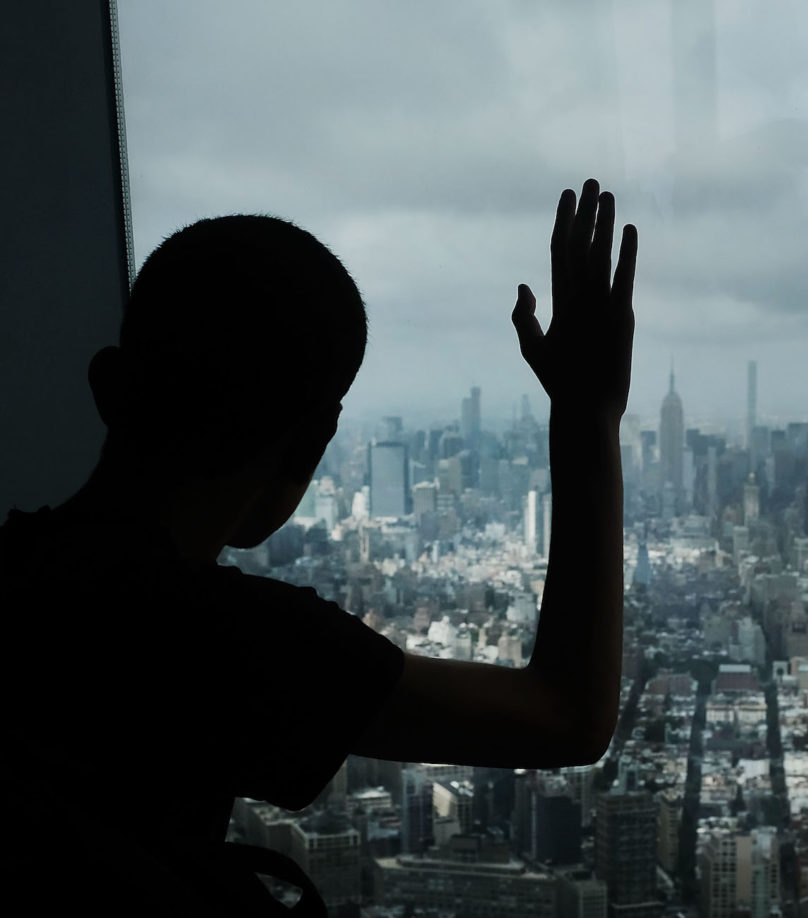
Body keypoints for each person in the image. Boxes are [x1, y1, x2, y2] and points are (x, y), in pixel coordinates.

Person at [2, 179, 636, 915]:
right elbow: (568, 715)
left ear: (106, 387)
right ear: (313, 446)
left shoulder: (18, 569)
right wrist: (587, 416)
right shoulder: (224, 642)